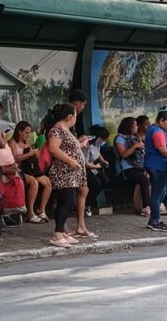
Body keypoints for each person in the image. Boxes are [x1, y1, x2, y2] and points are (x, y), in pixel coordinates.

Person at [47, 103, 86, 248]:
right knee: (69, 203)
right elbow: (53, 149)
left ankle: (62, 232)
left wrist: (80, 145)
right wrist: (71, 161)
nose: (76, 118)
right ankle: (57, 234)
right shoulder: (57, 130)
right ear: (70, 117)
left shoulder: (66, 130)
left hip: (71, 174)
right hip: (63, 173)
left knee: (64, 202)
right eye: (75, 115)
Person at [144, 110, 167, 232]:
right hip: (157, 165)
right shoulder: (157, 131)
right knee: (157, 193)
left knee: (162, 192)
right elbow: (162, 149)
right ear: (161, 120)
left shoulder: (156, 130)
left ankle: (153, 219)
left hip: (158, 165)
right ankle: (156, 220)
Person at [9, 121, 52, 223]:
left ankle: (42, 210)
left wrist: (35, 154)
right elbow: (14, 158)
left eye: (29, 133)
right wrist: (29, 154)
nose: (28, 135)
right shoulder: (12, 142)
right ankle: (30, 212)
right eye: (26, 132)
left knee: (47, 182)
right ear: (19, 132)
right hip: (18, 170)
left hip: (29, 168)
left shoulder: (26, 143)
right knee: (34, 183)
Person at [68, 88, 97, 238]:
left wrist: (78, 141)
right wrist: (79, 143)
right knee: (67, 195)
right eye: (83, 104)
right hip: (69, 162)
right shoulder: (66, 119)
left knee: (83, 190)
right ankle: (62, 227)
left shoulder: (73, 122)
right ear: (77, 103)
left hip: (76, 161)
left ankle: (80, 225)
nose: (83, 108)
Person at [114, 117, 151, 217]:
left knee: (149, 175)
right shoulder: (120, 138)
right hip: (126, 167)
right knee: (143, 179)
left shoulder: (133, 137)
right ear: (128, 126)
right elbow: (123, 155)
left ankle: (147, 204)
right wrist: (134, 146)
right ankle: (146, 206)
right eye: (135, 125)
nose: (137, 127)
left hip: (137, 166)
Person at [82, 125, 111, 216]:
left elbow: (97, 153)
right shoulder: (87, 145)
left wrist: (103, 161)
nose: (104, 141)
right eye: (104, 139)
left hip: (93, 167)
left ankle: (90, 200)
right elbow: (84, 162)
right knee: (96, 182)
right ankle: (88, 204)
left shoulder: (97, 144)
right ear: (99, 138)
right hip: (85, 168)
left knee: (105, 180)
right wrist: (96, 167)